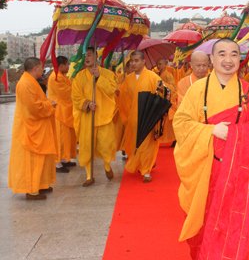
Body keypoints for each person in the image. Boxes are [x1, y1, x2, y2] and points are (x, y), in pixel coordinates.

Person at [173, 38, 249, 260]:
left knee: (234, 225)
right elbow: (180, 124)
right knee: (205, 223)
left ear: (240, 60)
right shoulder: (197, 90)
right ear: (212, 60)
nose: (228, 60)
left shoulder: (248, 91)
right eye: (222, 54)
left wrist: (238, 135)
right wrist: (211, 130)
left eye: (234, 54)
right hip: (206, 167)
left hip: (237, 170)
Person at [8, 57, 57, 200]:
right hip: (30, 129)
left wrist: (47, 102)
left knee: (43, 158)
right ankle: (31, 190)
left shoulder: (30, 81)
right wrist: (50, 105)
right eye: (41, 68)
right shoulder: (24, 84)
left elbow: (37, 102)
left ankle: (41, 184)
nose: (43, 71)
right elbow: (34, 108)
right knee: (33, 160)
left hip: (38, 127)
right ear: (35, 68)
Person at [72, 47, 117, 187]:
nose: (87, 57)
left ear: (96, 57)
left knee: (106, 145)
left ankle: (107, 166)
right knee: (87, 146)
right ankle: (89, 175)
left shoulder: (107, 74)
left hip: (104, 116)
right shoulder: (79, 77)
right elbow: (75, 96)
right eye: (85, 55)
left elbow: (112, 90)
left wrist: (99, 77)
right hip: (88, 118)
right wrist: (86, 104)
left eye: (90, 55)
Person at [120, 51, 165, 182]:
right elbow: (124, 100)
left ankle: (146, 171)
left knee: (147, 145)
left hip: (148, 118)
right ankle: (143, 165)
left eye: (136, 60)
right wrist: (127, 117)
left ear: (143, 62)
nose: (133, 63)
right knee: (135, 145)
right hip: (133, 119)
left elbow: (162, 95)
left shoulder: (153, 77)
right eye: (132, 61)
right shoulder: (128, 79)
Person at [47, 56, 77, 173]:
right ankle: (57, 163)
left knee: (67, 137)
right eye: (67, 64)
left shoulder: (62, 76)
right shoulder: (55, 77)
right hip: (59, 111)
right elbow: (66, 92)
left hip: (66, 110)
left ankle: (65, 159)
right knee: (60, 138)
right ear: (61, 65)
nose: (68, 67)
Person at [156, 58, 178, 146]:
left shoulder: (167, 75)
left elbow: (173, 88)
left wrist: (163, 84)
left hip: (168, 101)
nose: (159, 66)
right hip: (162, 100)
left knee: (169, 123)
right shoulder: (159, 74)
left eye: (160, 64)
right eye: (158, 64)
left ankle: (175, 139)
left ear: (165, 64)